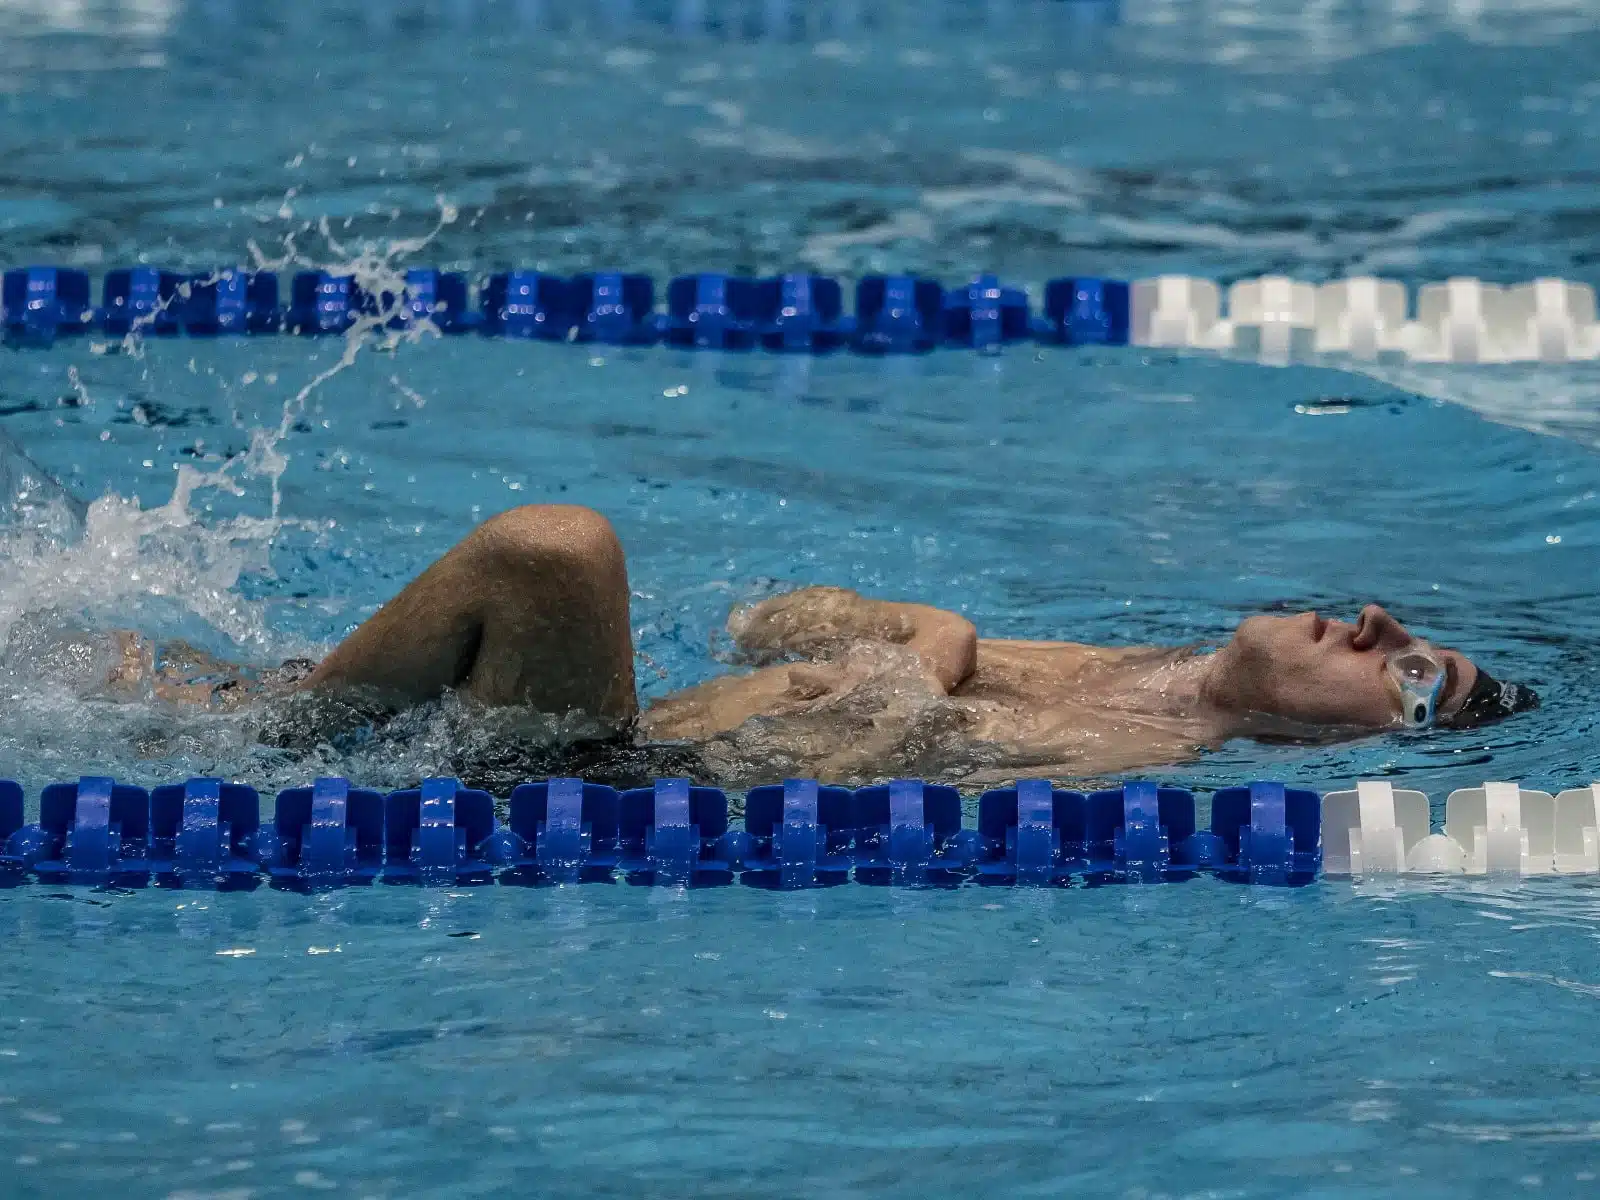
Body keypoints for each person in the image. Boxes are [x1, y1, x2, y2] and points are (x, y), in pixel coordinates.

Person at [111, 503, 1537, 789]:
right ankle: (283, 722)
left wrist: (922, 659)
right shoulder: (1115, 665)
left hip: (586, 783)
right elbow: (772, 620)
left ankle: (286, 734)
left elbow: (809, 763)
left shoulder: (1122, 753)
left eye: (1410, 669)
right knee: (91, 664)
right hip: (535, 735)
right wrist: (923, 635)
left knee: (556, 552)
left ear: (1359, 737)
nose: (1378, 625)